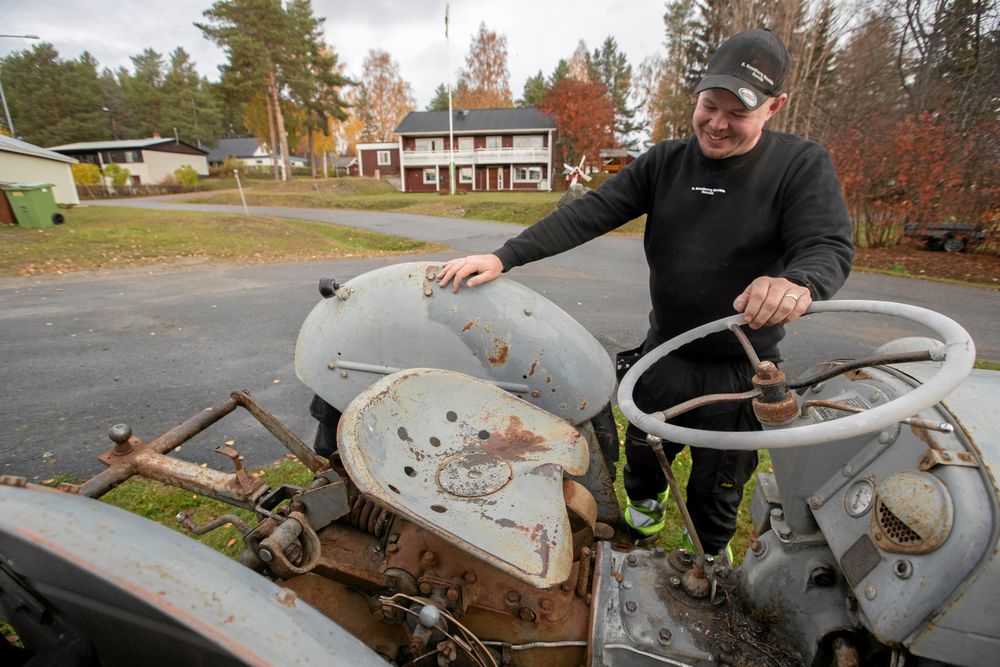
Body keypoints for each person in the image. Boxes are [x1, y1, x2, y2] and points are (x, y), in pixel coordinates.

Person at [436, 28, 854, 556]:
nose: (718, 123)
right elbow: (589, 212)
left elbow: (826, 244)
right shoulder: (666, 163)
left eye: (737, 113)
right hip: (665, 353)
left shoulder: (800, 165)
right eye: (709, 105)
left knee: (718, 484)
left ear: (775, 106)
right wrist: (503, 256)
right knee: (645, 458)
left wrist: (799, 282)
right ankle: (644, 523)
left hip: (741, 366)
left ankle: (708, 560)